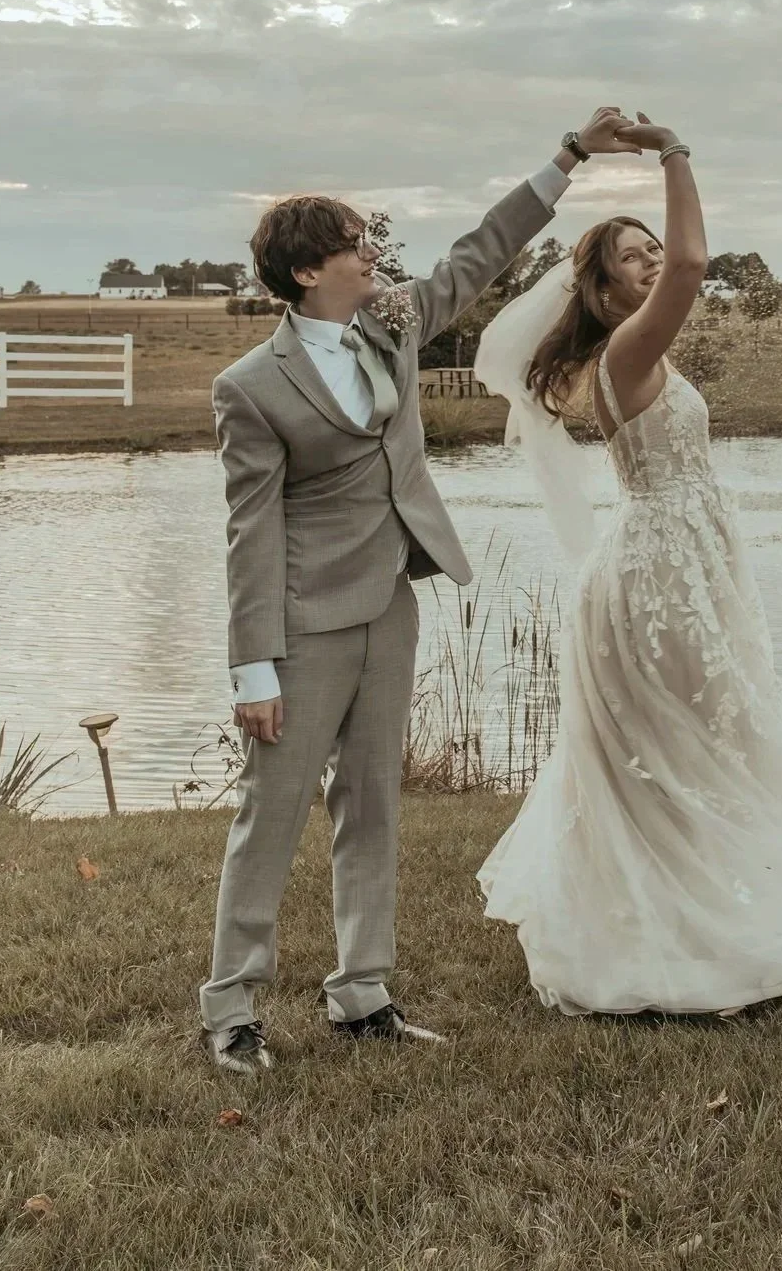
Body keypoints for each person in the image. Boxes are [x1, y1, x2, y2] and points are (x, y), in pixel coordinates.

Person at [200, 108, 636, 1075]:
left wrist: (567, 160)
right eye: (354, 247)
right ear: (307, 271)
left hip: (391, 603)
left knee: (374, 804)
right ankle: (230, 1008)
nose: (371, 256)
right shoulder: (249, 389)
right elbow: (251, 531)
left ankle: (363, 996)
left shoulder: (391, 322)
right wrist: (253, 668)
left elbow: (478, 257)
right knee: (272, 814)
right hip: (302, 624)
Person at [473, 117, 782, 1015]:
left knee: (699, 748)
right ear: (604, 285)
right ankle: (683, 939)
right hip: (658, 582)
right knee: (693, 748)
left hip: (676, 567)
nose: (656, 259)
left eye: (654, 246)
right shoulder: (627, 349)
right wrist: (674, 151)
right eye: (635, 254)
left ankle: (698, 920)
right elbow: (696, 266)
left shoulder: (634, 352)